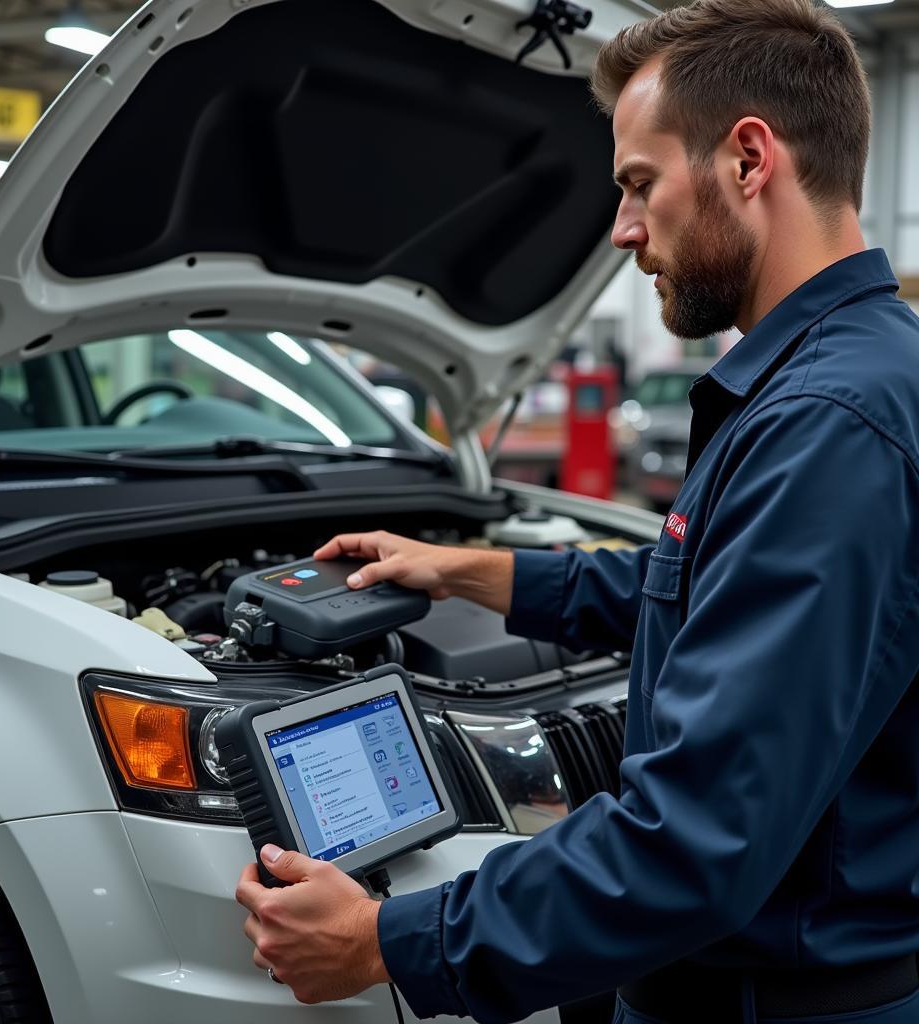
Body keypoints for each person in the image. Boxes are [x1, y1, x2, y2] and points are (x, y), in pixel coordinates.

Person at [235, 1, 919, 1021]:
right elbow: (700, 589)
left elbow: (697, 842)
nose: (623, 228)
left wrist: (390, 940)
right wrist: (461, 569)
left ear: (746, 159)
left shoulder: (828, 423)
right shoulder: (854, 373)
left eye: (639, 183)